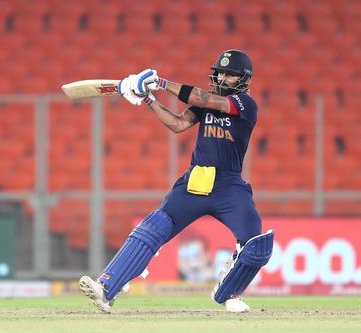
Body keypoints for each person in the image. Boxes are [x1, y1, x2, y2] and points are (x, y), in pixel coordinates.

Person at [79, 49, 274, 313]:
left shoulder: (245, 104)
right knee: (153, 227)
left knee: (257, 245)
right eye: (220, 72)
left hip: (229, 186)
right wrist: (148, 99)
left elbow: (204, 98)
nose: (223, 77)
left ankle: (231, 293)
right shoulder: (206, 102)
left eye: (230, 74)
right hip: (196, 180)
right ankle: (106, 288)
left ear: (243, 80)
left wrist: (159, 83)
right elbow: (178, 124)